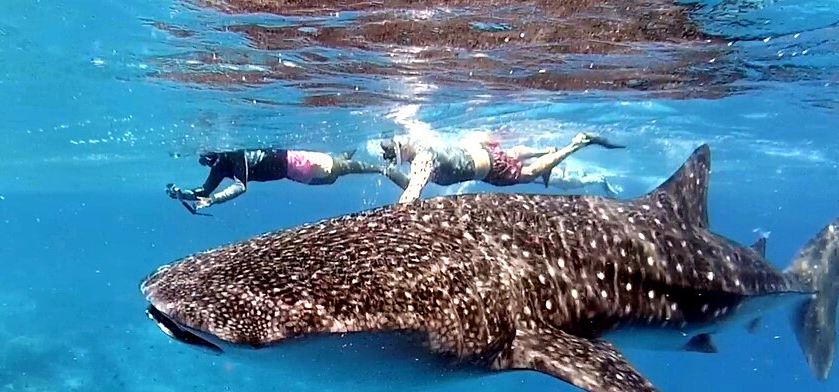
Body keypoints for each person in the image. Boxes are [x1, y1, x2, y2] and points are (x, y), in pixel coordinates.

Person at [379, 131, 624, 204]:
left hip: (489, 169)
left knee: (528, 174)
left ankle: (576, 144)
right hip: (482, 150)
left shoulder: (421, 162)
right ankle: (544, 151)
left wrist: (395, 217)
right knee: (511, 155)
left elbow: (412, 193)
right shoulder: (422, 143)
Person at [165, 148, 401, 213]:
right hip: (292, 174)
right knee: (331, 179)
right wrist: (182, 194)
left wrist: (214, 200)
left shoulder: (234, 156)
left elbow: (240, 186)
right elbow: (204, 190)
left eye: (209, 160)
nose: (210, 165)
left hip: (297, 162)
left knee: (339, 169)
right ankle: (342, 158)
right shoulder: (220, 167)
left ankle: (383, 169)